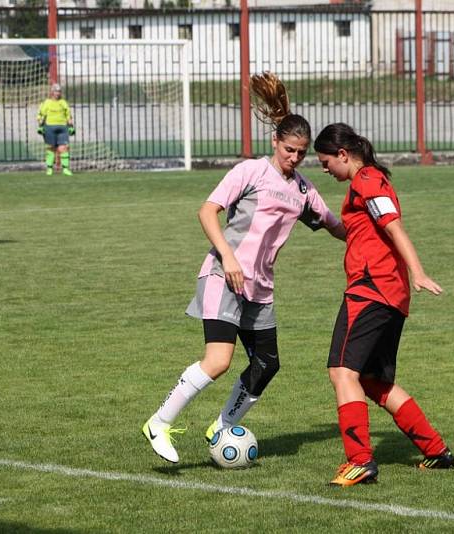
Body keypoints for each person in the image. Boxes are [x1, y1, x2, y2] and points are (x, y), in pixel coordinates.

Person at [142, 72, 346, 464]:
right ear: (275, 141)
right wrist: (229, 256)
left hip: (260, 289)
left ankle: (222, 426)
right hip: (223, 277)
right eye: (289, 149)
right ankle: (159, 422)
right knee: (218, 359)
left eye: (301, 153)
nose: (295, 158)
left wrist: (370, 236)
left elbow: (334, 226)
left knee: (267, 364)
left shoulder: (303, 191)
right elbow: (207, 212)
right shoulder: (250, 172)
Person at [314, 123, 454, 486]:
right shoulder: (367, 183)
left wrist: (419, 272)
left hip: (370, 291)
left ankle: (360, 461)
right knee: (374, 382)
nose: (324, 168)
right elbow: (364, 231)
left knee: (342, 372)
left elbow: (394, 227)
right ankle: (436, 451)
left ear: (343, 154)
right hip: (390, 294)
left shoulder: (367, 181)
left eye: (326, 161)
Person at [37, 83, 75, 176]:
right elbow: (40, 115)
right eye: (56, 91)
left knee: (64, 148)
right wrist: (41, 126)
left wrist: (71, 127)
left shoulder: (63, 102)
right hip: (49, 127)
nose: (58, 93)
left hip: (62, 128)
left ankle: (65, 169)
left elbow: (68, 116)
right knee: (51, 148)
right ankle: (49, 169)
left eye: (59, 91)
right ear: (52, 92)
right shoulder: (46, 103)